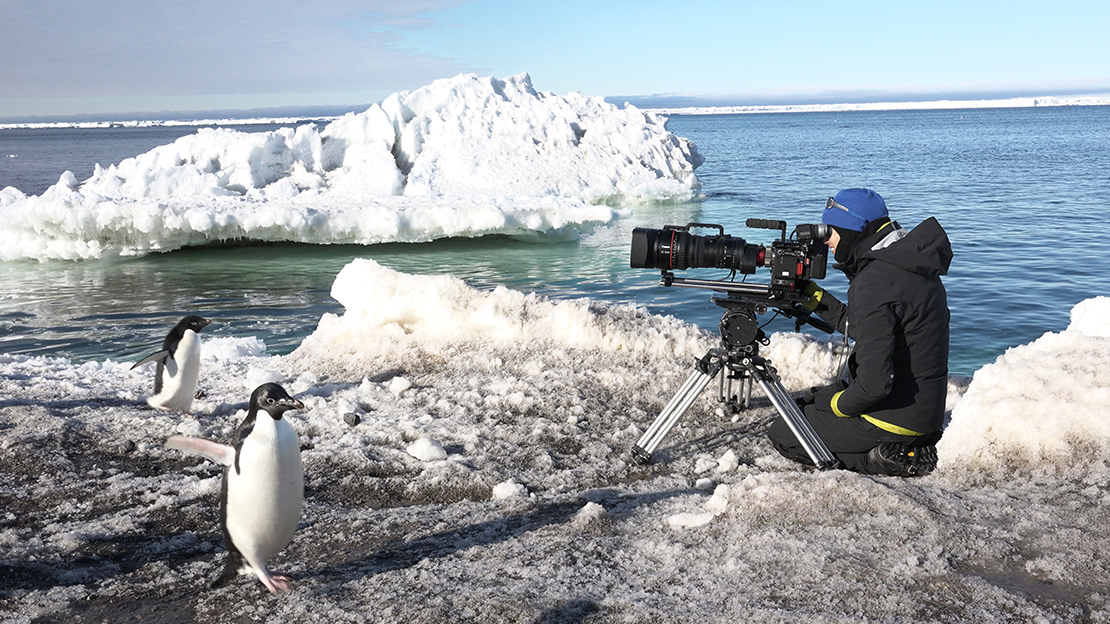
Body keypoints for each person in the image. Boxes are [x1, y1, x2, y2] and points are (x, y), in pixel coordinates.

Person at [767, 188, 952, 476]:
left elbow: (874, 386)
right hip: (925, 415)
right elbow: (868, 327)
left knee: (786, 430)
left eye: (830, 231)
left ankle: (884, 459)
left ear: (853, 229)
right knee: (813, 404)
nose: (826, 240)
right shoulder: (910, 264)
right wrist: (814, 297)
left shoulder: (874, 280)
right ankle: (902, 445)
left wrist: (833, 403)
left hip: (890, 419)